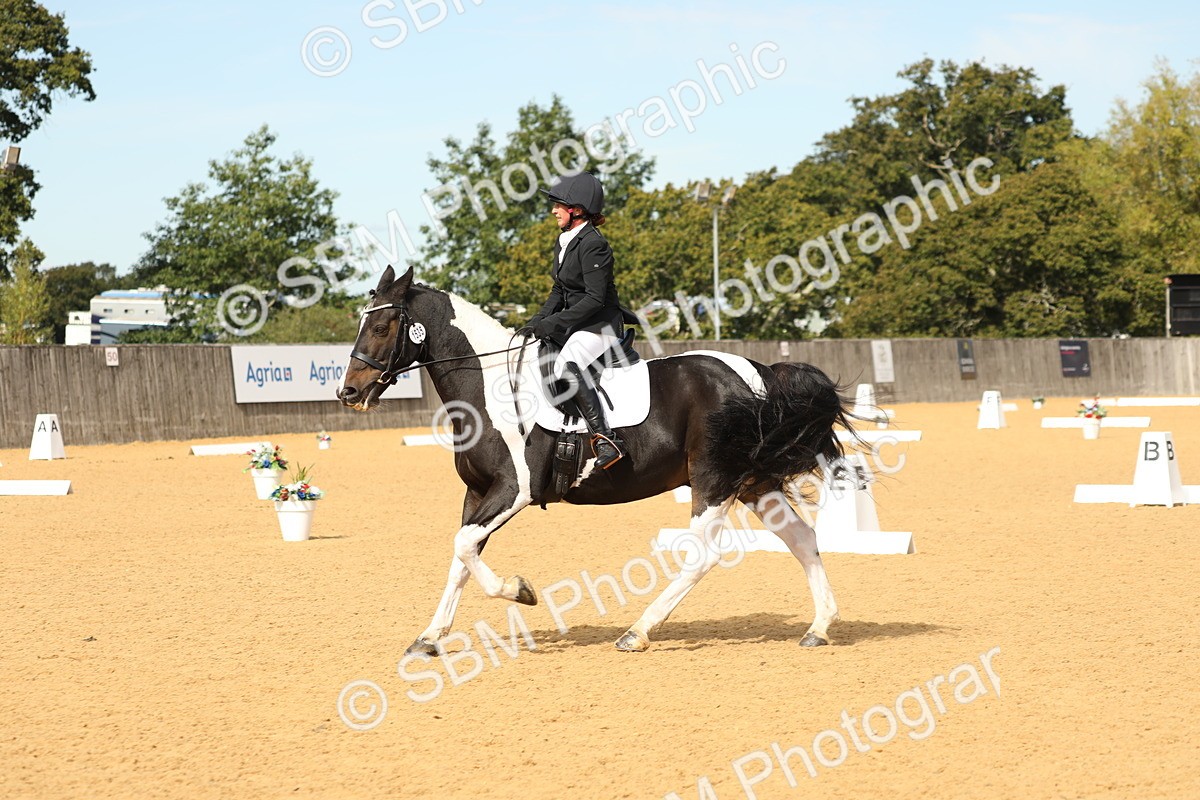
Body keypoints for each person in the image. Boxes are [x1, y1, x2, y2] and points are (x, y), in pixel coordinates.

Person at [520, 172, 637, 470]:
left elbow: (595, 299)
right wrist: (537, 321)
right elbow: (559, 290)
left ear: (577, 210)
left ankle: (606, 439)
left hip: (601, 325)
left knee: (566, 366)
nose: (553, 210)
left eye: (558, 205)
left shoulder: (594, 244)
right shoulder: (564, 240)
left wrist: (554, 323)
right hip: (576, 323)